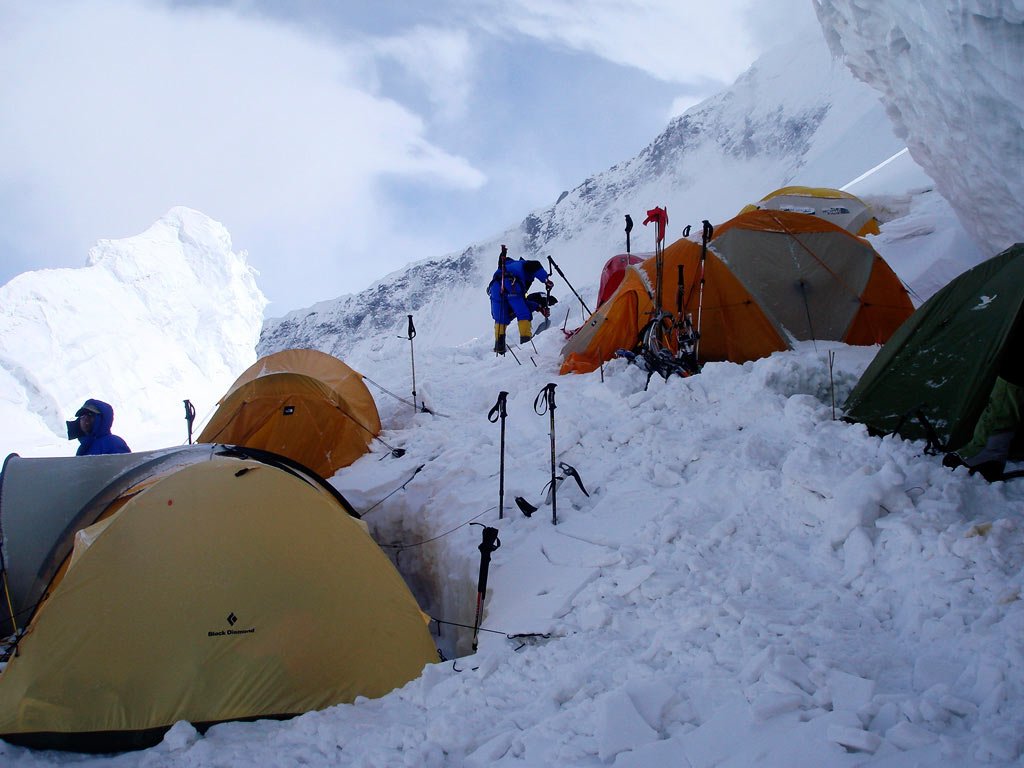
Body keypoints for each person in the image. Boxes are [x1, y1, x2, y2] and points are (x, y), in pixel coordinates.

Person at [486, 245, 554, 354]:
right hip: (512, 284)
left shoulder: (501, 269)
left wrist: (538, 308)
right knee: (523, 313)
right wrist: (545, 279)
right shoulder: (520, 264)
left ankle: (499, 348)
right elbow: (535, 264)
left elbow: (521, 303)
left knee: (500, 318)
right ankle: (526, 343)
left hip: (494, 288)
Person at [66, 398, 131, 456]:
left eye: (90, 415)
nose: (85, 419)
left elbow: (127, 468)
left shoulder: (113, 443)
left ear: (101, 419)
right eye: (83, 416)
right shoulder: (84, 447)